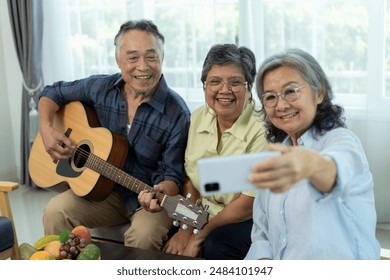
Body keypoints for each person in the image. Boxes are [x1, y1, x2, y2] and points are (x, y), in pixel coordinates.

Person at [38, 19, 191, 251]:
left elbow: (172, 174)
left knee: (143, 236)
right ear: (118, 60)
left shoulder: (177, 112)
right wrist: (47, 129)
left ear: (162, 58)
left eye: (151, 56)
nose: (143, 66)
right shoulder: (101, 87)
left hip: (147, 199)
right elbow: (52, 92)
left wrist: (162, 192)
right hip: (102, 191)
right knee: (54, 211)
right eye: (132, 57)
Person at [245, 48, 381, 260]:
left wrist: (309, 164)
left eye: (290, 91)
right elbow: (262, 231)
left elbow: (334, 170)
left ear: (319, 93)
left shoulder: (342, 141)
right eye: (270, 97)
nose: (281, 105)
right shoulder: (278, 152)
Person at [163, 44, 267, 259]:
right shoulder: (199, 117)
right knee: (169, 241)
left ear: (250, 87)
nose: (224, 90)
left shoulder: (263, 130)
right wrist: (185, 229)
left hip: (248, 217)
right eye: (215, 82)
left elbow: (247, 204)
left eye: (235, 82)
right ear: (204, 86)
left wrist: (199, 235)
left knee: (214, 245)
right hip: (205, 212)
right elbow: (192, 180)